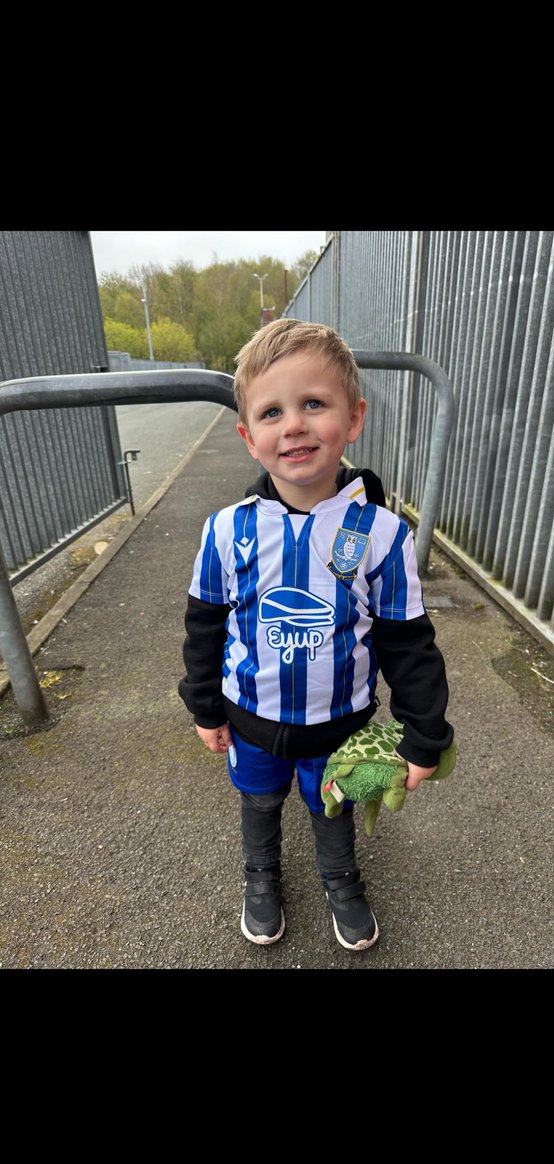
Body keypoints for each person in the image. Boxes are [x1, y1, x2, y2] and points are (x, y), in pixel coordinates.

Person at [179, 319, 453, 951]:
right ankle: (261, 875)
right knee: (258, 801)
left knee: (331, 803)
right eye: (272, 411)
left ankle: (341, 880)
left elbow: (408, 643)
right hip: (250, 719)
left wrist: (424, 734)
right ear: (249, 437)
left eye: (313, 404)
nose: (294, 425)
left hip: (340, 725)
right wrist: (203, 705)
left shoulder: (382, 535)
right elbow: (203, 627)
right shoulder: (226, 532)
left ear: (352, 419)